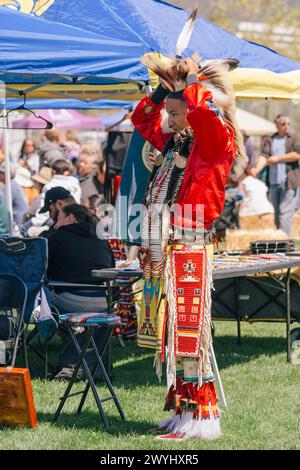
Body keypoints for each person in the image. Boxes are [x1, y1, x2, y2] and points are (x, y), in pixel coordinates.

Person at [131, 55, 246, 440]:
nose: (170, 119)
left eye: (176, 114)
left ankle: (202, 417)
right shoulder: (177, 143)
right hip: (168, 247)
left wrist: (192, 81)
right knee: (173, 335)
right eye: (171, 113)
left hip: (190, 246)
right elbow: (142, 120)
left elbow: (202, 113)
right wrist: (166, 90)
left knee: (189, 336)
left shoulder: (215, 141)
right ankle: (183, 414)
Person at [46, 203, 115, 379]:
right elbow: (111, 268)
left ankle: (70, 364)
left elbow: (45, 271)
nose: (55, 224)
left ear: (70, 218)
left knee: (45, 299)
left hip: (70, 297)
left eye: (59, 218)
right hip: (103, 300)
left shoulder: (57, 236)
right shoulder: (101, 238)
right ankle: (94, 365)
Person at [250, 115, 300, 236]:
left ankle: (285, 243)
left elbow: (297, 155)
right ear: (276, 124)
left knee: (285, 212)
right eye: (283, 123)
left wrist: (277, 158)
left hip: (289, 182)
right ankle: (280, 242)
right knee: (277, 213)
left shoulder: (294, 137)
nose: (286, 126)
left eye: (288, 124)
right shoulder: (270, 139)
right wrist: (256, 169)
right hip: (273, 182)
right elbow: (264, 156)